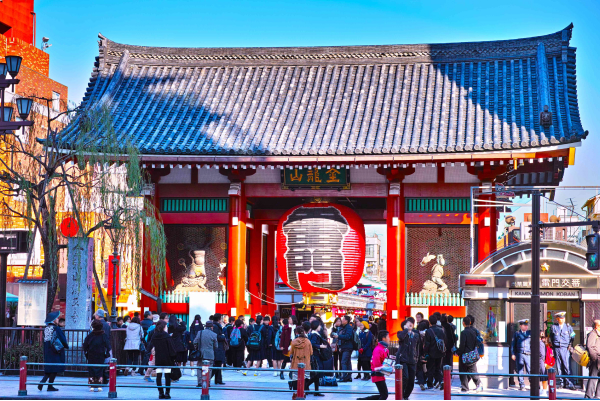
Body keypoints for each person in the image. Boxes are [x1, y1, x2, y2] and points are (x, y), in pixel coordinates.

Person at [358, 330, 392, 400]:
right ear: (383, 338)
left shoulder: (383, 349)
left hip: (380, 374)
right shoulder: (378, 350)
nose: (389, 339)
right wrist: (387, 368)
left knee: (382, 395)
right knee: (384, 395)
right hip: (377, 375)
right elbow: (377, 365)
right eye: (388, 337)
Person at [38, 311, 68, 392]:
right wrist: (66, 346)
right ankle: (50, 386)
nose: (58, 319)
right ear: (54, 320)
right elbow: (62, 339)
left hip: (47, 349)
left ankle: (42, 382)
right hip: (55, 350)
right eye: (57, 318)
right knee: (55, 367)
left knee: (49, 367)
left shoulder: (47, 328)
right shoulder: (56, 328)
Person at [147, 320, 176, 399]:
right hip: (167, 359)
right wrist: (174, 357)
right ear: (164, 327)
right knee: (167, 376)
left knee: (158, 376)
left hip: (158, 358)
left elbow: (149, 346)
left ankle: (160, 393)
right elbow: (172, 349)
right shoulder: (167, 336)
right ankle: (167, 393)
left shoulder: (154, 335)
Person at [456, 316, 483, 393]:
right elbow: (476, 343)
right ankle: (477, 384)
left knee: (463, 371)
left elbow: (462, 345)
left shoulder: (463, 332)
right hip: (473, 354)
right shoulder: (473, 331)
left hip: (465, 355)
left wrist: (458, 352)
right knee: (472, 370)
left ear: (463, 323)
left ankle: (465, 388)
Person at [550, 311, 576, 390]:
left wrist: (570, 345)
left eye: (563, 318)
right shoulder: (553, 327)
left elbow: (573, 336)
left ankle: (570, 383)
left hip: (565, 348)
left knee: (567, 366)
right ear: (557, 319)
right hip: (557, 348)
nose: (562, 319)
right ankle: (562, 383)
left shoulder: (568, 327)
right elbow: (551, 337)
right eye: (560, 318)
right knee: (559, 366)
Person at [84, 320, 111, 392]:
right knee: (100, 369)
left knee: (91, 369)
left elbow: (85, 345)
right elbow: (108, 346)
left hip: (91, 354)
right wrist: (107, 353)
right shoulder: (103, 335)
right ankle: (99, 385)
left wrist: (86, 353)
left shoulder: (90, 336)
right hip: (101, 354)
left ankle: (92, 385)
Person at [396, 317, 419, 399]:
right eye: (408, 323)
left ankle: (406, 396)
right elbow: (401, 337)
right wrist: (406, 330)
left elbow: (417, 347)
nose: (410, 324)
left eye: (411, 323)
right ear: (404, 325)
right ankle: (401, 394)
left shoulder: (415, 335)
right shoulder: (401, 333)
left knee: (411, 380)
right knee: (405, 377)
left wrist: (417, 357)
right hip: (403, 359)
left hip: (412, 360)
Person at [289, 326, 313, 400]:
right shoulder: (308, 341)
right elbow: (311, 352)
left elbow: (291, 352)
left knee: (295, 379)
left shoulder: (294, 342)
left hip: (296, 363)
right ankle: (303, 393)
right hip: (306, 363)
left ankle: (296, 393)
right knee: (305, 379)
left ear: (297, 333)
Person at [424, 314, 446, 389]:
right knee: (438, 368)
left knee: (430, 368)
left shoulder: (428, 331)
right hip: (440, 352)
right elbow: (444, 340)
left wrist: (425, 352)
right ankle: (441, 381)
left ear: (429, 322)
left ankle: (430, 384)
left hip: (431, 353)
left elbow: (427, 343)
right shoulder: (441, 330)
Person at [194, 320, 218, 387]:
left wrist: (197, 348)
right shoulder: (214, 335)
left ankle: (200, 382)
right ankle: (207, 382)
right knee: (209, 369)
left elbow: (195, 342)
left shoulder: (200, 332)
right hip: (210, 354)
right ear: (212, 327)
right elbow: (216, 346)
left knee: (199, 368)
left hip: (201, 354)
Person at [511, 319, 531, 391]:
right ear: (520, 326)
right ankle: (522, 385)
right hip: (519, 354)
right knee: (520, 370)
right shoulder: (517, 334)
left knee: (529, 369)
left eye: (527, 325)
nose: (526, 327)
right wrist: (513, 353)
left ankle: (532, 384)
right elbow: (513, 345)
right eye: (524, 325)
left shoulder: (530, 333)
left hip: (528, 354)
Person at [336, 315, 355, 382]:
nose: (342, 321)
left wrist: (338, 336)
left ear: (346, 321)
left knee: (344, 361)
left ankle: (344, 377)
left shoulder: (348, 328)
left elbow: (348, 336)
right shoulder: (344, 327)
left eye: (343, 319)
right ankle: (348, 376)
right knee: (348, 362)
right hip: (345, 347)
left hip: (348, 347)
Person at [586, 320, 600, 398]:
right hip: (595, 360)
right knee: (593, 378)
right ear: (597, 326)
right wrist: (595, 357)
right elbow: (590, 347)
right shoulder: (593, 334)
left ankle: (598, 395)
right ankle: (588, 396)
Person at [211, 314, 227, 385]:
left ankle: (218, 379)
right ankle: (208, 378)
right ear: (219, 319)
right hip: (218, 347)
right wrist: (223, 337)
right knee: (217, 364)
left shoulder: (215, 325)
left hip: (218, 347)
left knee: (218, 363)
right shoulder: (216, 326)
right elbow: (216, 337)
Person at [416, 319, 430, 391]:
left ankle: (422, 382)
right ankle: (426, 381)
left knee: (420, 369)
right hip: (426, 354)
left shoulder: (416, 334)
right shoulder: (428, 333)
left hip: (418, 354)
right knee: (426, 368)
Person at [539, 331, 548, 398]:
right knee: (541, 375)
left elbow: (542, 354)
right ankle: (542, 389)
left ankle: (544, 390)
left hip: (541, 360)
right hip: (540, 360)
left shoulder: (540, 343)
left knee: (543, 375)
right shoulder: (540, 343)